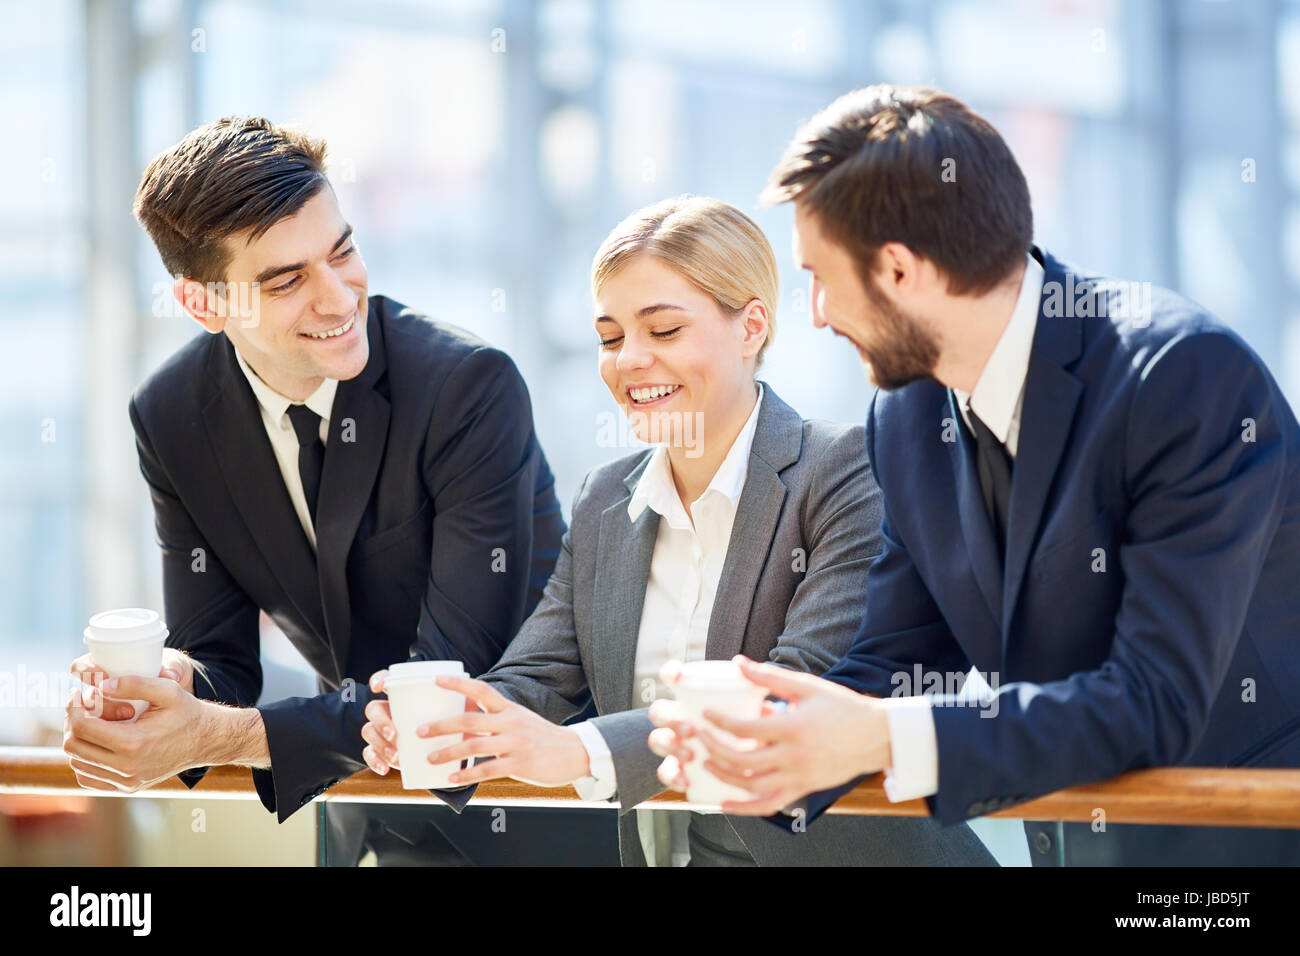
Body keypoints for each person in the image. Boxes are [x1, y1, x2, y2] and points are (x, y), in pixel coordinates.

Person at [648, 85, 1300, 866]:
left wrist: (878, 738)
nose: (815, 312)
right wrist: (773, 732)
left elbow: (1153, 699)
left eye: (820, 277)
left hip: (1240, 857)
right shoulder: (909, 418)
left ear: (896, 270)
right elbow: (896, 657)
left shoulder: (1181, 377)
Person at [359, 195, 996, 866]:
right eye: (610, 337)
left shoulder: (847, 468)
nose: (628, 359)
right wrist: (449, 727)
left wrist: (579, 750)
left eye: (662, 330)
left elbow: (796, 692)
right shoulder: (606, 499)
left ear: (751, 328)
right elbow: (539, 676)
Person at [60, 116, 615, 866]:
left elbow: (446, 690)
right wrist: (169, 686)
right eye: (286, 280)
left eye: (343, 251)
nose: (337, 297)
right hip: (359, 817)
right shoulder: (171, 415)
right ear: (204, 305)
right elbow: (222, 660)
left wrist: (219, 733)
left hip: (523, 815)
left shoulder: (466, 389)